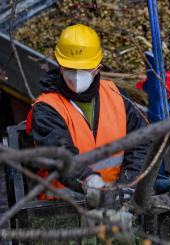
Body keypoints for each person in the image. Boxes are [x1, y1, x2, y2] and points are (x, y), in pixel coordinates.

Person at [26, 24, 149, 207]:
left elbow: (142, 141)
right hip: (61, 208)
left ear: (98, 67)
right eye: (69, 68)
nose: (76, 76)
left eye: (84, 69)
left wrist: (127, 185)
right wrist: (91, 184)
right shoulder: (46, 109)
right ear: (60, 66)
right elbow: (61, 156)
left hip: (117, 198)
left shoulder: (116, 95)